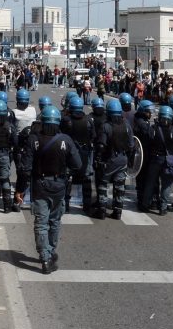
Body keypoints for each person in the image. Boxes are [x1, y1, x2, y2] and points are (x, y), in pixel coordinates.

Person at [16, 105, 82, 274]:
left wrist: (20, 189)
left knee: (41, 223)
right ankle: (50, 251)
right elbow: (78, 164)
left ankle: (44, 257)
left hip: (39, 185)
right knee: (54, 221)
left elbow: (25, 168)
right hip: (59, 186)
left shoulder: (33, 139)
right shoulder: (66, 140)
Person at [93, 98, 133, 219]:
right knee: (119, 187)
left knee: (103, 185)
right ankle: (118, 211)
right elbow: (131, 145)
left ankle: (102, 210)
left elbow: (101, 145)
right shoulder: (126, 125)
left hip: (108, 160)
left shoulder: (106, 126)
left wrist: (98, 159)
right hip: (122, 159)